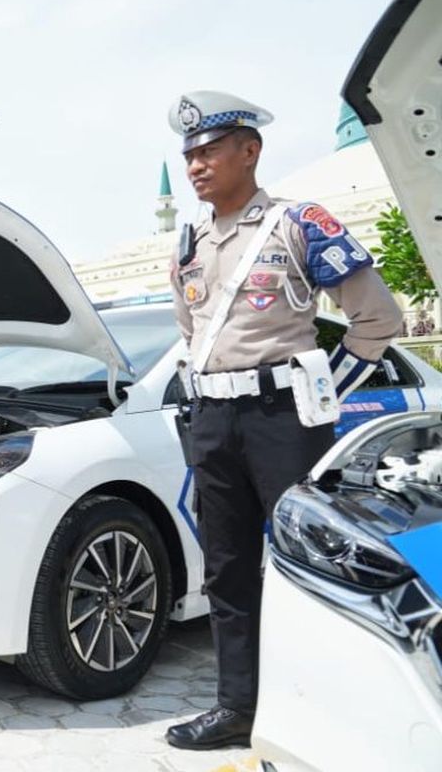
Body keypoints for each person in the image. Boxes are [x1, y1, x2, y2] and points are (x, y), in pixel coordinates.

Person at [164, 91, 401, 751]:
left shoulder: (301, 224)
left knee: (310, 563)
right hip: (213, 419)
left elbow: (379, 319)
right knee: (227, 568)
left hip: (283, 418)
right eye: (188, 156)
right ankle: (238, 708)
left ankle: (334, 711)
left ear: (250, 150)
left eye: (209, 150)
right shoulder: (187, 243)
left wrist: (322, 391)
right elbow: (190, 335)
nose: (196, 166)